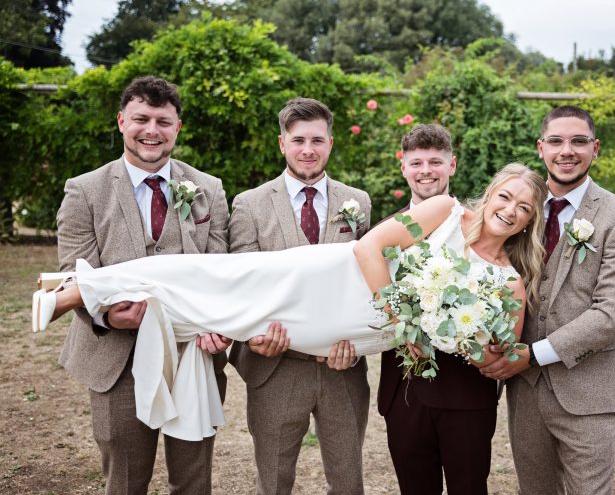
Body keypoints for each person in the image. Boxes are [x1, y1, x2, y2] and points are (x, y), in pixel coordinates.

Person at [34, 162, 544, 484]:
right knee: (230, 278)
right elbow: (371, 245)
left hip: (361, 330)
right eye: (505, 196)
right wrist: (399, 310)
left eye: (523, 208)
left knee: (226, 319)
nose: (510, 210)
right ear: (491, 192)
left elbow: (497, 353)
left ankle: (110, 294)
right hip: (341, 279)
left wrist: (476, 344)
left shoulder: (508, 280)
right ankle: (82, 289)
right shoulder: (444, 212)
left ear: (530, 221)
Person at [53, 75, 231, 494]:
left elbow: (224, 271)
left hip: (192, 356)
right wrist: (107, 315)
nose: (152, 130)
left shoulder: (209, 189)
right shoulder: (85, 191)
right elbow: (72, 275)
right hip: (119, 361)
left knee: (193, 479)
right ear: (121, 122)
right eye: (141, 119)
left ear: (177, 128)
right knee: (126, 481)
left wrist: (221, 324)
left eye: (163, 122)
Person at [480, 105, 615, 494]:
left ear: (595, 148)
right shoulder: (518, 212)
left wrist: (533, 354)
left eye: (578, 141)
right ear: (541, 148)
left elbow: (614, 313)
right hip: (525, 391)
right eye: (556, 141)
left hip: (588, 390)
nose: (566, 150)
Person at [227, 97, 372, 495]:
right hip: (276, 365)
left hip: (341, 367)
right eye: (298, 140)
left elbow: (365, 282)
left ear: (330, 143)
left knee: (348, 482)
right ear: (282, 144)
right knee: (273, 481)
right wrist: (255, 338)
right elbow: (242, 282)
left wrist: (357, 344)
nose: (308, 149)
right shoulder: (249, 204)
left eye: (317, 140)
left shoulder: (357, 201)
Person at [379, 124, 525, 494]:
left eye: (436, 162)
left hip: (466, 393)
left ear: (453, 166)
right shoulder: (387, 230)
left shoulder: (483, 234)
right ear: (403, 168)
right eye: (417, 162)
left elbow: (505, 342)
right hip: (406, 389)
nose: (426, 170)